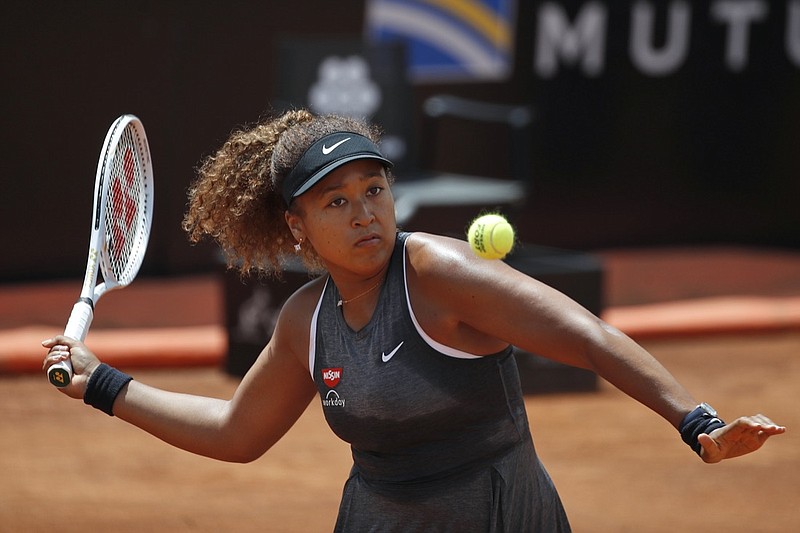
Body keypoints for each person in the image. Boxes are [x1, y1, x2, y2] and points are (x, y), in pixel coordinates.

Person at [42, 109, 785, 532]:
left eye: (374, 189)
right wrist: (104, 383)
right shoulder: (308, 320)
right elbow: (238, 432)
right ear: (297, 227)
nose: (365, 212)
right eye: (336, 201)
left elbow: (587, 336)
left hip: (502, 515)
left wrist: (697, 422)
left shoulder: (439, 272)